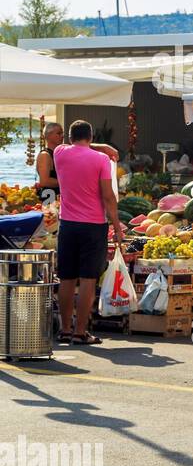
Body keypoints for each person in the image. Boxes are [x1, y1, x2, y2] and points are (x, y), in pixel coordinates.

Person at [53, 120, 125, 345]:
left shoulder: (59, 153)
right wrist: (116, 225)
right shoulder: (101, 160)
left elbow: (76, 146)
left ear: (70, 137)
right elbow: (108, 196)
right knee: (87, 280)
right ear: (91, 136)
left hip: (67, 225)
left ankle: (65, 329)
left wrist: (100, 146)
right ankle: (80, 332)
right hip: (93, 226)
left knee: (66, 278)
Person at [35, 122, 118, 203]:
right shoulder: (45, 155)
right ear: (48, 136)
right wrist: (71, 182)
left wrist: (104, 147)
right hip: (49, 198)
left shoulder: (62, 151)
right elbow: (44, 181)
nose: (62, 136)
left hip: (62, 199)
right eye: (58, 133)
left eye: (62, 133)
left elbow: (80, 146)